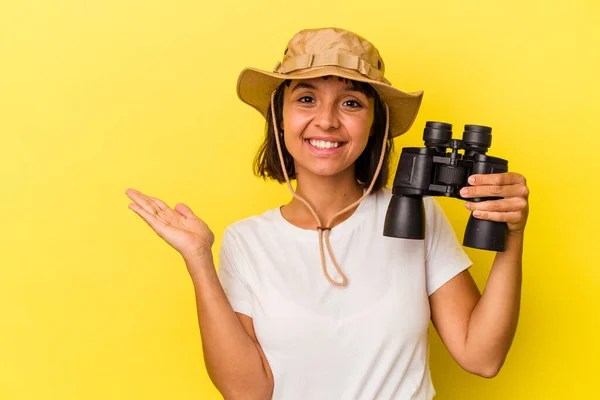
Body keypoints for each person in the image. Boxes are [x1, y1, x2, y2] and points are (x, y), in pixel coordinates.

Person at [125, 27, 529, 399]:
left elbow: (482, 357)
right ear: (279, 118)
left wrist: (510, 235)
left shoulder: (418, 216)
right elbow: (248, 393)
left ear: (375, 124)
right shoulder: (246, 241)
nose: (327, 120)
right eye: (306, 99)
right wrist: (198, 260)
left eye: (351, 103)